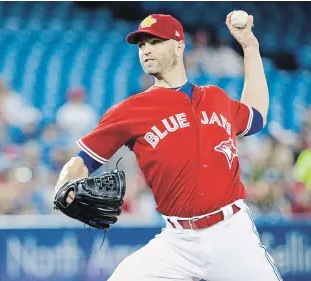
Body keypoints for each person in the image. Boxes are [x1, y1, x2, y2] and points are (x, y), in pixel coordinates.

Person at [54, 12, 282, 281]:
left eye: (155, 42)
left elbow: (256, 116)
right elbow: (83, 161)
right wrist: (64, 185)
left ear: (179, 45)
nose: (146, 51)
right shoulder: (129, 111)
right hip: (178, 242)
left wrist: (250, 46)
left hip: (231, 234)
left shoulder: (215, 98)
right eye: (142, 45)